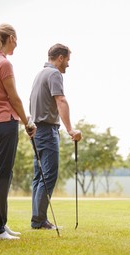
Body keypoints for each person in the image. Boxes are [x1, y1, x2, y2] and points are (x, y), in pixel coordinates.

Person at [0, 24, 36, 240]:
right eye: (17, 39)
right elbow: (14, 98)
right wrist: (27, 122)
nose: (18, 44)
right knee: (2, 175)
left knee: (4, 174)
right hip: (5, 123)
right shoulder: (4, 64)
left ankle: (1, 224)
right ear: (11, 38)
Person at [29, 43, 82, 230]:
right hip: (46, 131)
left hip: (36, 131)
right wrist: (70, 130)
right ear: (60, 58)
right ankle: (40, 221)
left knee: (39, 176)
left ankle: (37, 219)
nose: (68, 64)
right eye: (67, 59)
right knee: (48, 176)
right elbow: (61, 100)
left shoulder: (40, 74)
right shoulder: (54, 74)